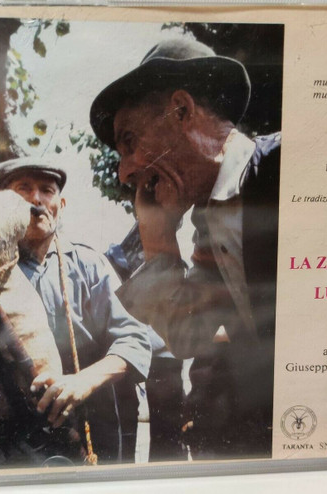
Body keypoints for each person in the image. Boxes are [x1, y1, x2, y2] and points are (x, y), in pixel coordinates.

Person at [90, 38, 281, 459]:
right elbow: (189, 338)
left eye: (129, 141)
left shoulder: (285, 167)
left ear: (181, 110)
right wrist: (158, 240)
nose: (124, 172)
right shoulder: (209, 219)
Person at [0, 157, 152, 464]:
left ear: (60, 205)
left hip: (91, 433)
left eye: (47, 190)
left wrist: (83, 382)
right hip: (14, 441)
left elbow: (135, 339)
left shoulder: (89, 265)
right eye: (23, 188)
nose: (36, 199)